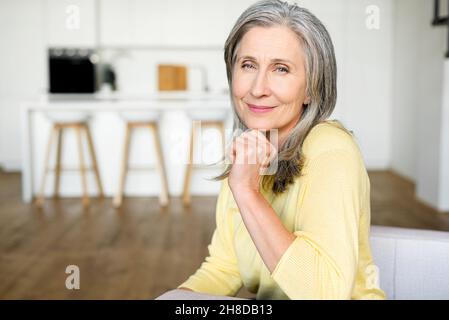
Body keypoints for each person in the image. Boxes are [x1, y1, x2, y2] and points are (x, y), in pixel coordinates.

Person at [178, 0, 386, 299]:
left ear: (312, 87)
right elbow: (225, 266)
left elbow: (325, 292)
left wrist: (247, 193)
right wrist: (176, 299)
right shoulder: (248, 149)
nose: (258, 87)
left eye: (281, 69)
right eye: (248, 65)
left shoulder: (333, 150)